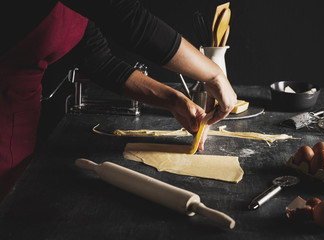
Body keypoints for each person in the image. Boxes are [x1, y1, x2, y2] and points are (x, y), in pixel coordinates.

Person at [0, 0, 237, 200]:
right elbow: (127, 19)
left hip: (19, 111)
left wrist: (173, 99)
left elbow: (98, 60)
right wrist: (213, 73)